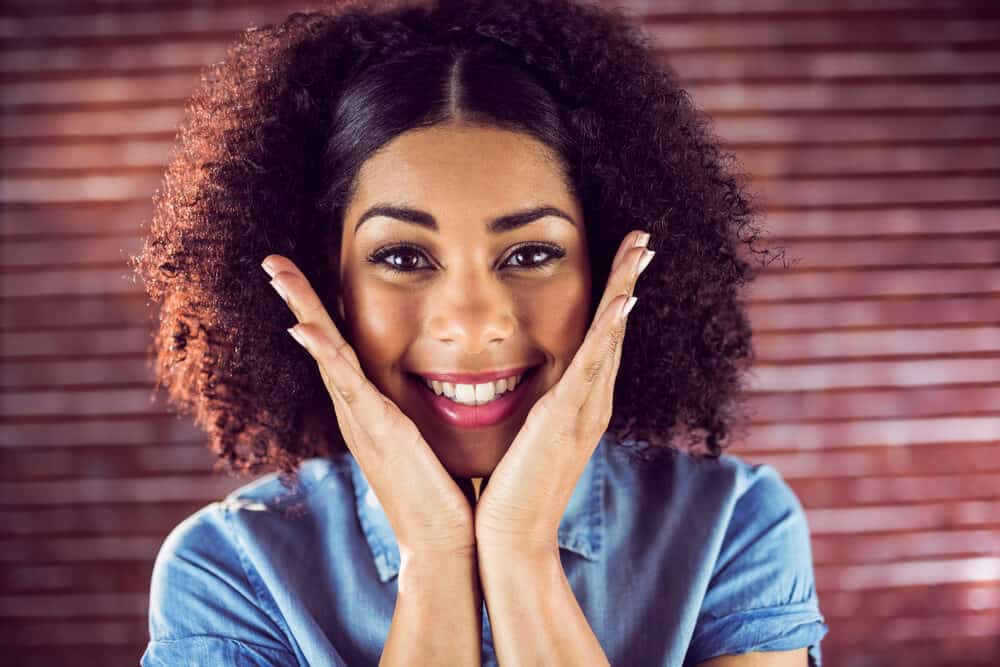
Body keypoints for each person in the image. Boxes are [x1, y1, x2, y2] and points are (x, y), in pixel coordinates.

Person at [130, 0, 829, 664]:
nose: (473, 324)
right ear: (331, 287)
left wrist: (521, 547)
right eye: (402, 257)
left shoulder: (735, 527)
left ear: (606, 265)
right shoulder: (227, 573)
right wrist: (434, 556)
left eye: (530, 254)